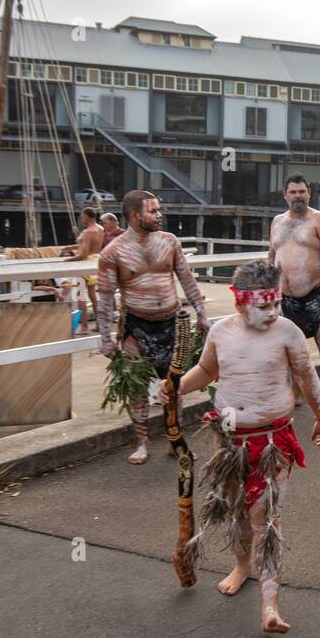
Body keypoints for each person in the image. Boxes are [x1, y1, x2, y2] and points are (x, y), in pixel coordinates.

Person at [161, 259, 320, 635]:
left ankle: (270, 604)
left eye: (275, 304)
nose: (271, 313)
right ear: (239, 302)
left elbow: (305, 375)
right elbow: (208, 372)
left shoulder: (287, 332)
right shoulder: (221, 332)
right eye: (262, 305)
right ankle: (241, 564)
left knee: (266, 520)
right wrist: (179, 387)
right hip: (229, 441)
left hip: (273, 442)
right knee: (236, 512)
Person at [96, 190, 210, 465]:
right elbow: (105, 296)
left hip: (171, 323)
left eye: (159, 210)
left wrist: (202, 314)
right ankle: (141, 442)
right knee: (137, 389)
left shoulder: (169, 242)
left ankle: (175, 441)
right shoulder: (113, 252)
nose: (159, 216)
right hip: (136, 325)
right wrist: (105, 338)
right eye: (153, 211)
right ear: (135, 215)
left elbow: (187, 279)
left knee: (174, 386)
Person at [268, 173, 320, 406]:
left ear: (309, 193)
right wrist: (266, 284)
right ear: (285, 195)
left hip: (317, 290)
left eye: (302, 191)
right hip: (284, 294)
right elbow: (272, 254)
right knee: (289, 345)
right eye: (293, 192)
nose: (298, 196)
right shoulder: (277, 221)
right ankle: (295, 390)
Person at [63, 207, 105, 334]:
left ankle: (84, 326)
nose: (82, 218)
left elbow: (83, 254)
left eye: (82, 216)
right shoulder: (100, 229)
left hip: (84, 263)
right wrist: (71, 247)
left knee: (80, 295)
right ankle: (99, 324)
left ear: (87, 216)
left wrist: (66, 261)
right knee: (92, 295)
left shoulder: (88, 232)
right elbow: (91, 247)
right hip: (95, 261)